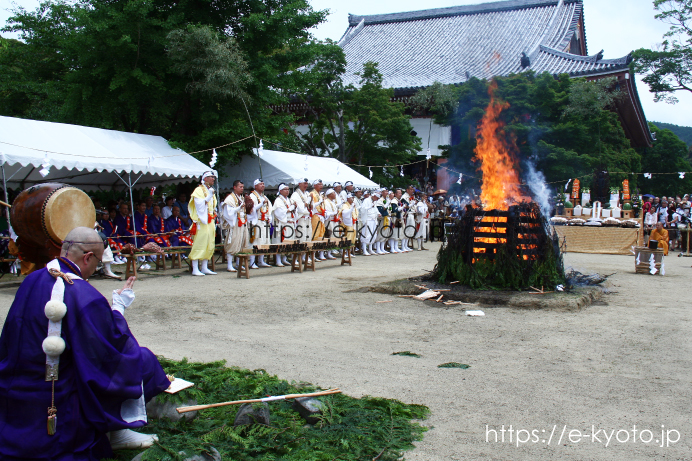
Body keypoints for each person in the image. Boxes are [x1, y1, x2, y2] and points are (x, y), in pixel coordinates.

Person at [0, 227, 170, 459]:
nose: (95, 269)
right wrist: (119, 307)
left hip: (14, 389)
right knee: (142, 359)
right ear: (88, 257)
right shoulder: (81, 292)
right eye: (98, 263)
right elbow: (111, 346)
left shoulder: (32, 280)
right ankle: (116, 430)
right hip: (58, 398)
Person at [188, 172, 218, 276]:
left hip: (210, 220)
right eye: (211, 177)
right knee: (199, 242)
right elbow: (199, 204)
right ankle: (195, 268)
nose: (213, 179)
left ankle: (204, 266)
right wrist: (209, 196)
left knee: (209, 242)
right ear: (205, 178)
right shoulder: (198, 190)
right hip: (201, 220)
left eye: (214, 177)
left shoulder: (210, 190)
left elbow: (212, 206)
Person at [220, 180, 250, 272]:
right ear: (234, 187)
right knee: (232, 243)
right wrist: (239, 208)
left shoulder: (241, 197)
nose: (242, 189)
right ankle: (229, 265)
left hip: (242, 222)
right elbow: (228, 212)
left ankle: (238, 264)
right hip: (234, 223)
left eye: (242, 187)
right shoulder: (229, 199)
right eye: (240, 187)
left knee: (241, 243)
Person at [247, 179, 273, 269]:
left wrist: (269, 216)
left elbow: (269, 208)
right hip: (256, 221)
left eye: (263, 184)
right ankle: (252, 261)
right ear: (255, 186)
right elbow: (252, 209)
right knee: (255, 240)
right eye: (260, 184)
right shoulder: (252, 196)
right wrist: (262, 203)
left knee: (264, 240)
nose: (263, 185)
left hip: (264, 221)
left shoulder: (264, 196)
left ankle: (261, 260)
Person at [272, 183, 296, 267]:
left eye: (288, 189)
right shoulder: (278, 200)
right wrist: (291, 208)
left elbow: (290, 210)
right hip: (282, 223)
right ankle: (278, 260)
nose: (287, 191)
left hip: (290, 222)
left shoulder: (289, 200)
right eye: (285, 189)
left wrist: (293, 208)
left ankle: (284, 259)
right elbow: (279, 213)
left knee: (288, 241)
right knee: (280, 242)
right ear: (280, 191)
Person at [291, 178, 312, 246]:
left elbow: (311, 206)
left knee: (308, 235)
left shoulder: (306, 193)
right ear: (299, 184)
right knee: (301, 236)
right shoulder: (295, 194)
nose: (306, 185)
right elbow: (301, 208)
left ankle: (306, 254)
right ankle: (301, 254)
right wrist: (308, 200)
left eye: (307, 184)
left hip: (308, 217)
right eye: (304, 183)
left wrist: (310, 201)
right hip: (301, 218)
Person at [359, 190, 380, 256]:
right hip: (368, 219)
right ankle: (364, 250)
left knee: (373, 234)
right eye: (377, 198)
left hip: (373, 220)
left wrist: (378, 213)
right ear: (374, 196)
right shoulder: (366, 200)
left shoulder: (374, 201)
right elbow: (362, 209)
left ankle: (370, 249)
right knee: (366, 234)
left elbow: (375, 209)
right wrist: (369, 207)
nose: (377, 199)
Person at [338, 193, 358, 258]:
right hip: (346, 224)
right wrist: (351, 209)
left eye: (353, 197)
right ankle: (345, 252)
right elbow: (344, 213)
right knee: (347, 237)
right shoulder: (345, 205)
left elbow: (356, 213)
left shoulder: (352, 204)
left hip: (352, 223)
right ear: (348, 198)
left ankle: (348, 251)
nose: (353, 199)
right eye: (351, 198)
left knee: (352, 237)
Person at [322, 189, 339, 260]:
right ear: (330, 195)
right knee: (328, 236)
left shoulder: (332, 202)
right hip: (329, 221)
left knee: (333, 237)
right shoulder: (326, 202)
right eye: (334, 193)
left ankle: (330, 252)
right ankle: (324, 253)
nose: (335, 194)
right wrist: (334, 214)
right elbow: (327, 212)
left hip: (334, 221)